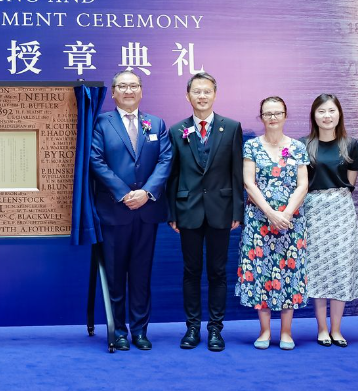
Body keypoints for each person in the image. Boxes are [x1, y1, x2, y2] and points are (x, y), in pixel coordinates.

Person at [90, 69, 173, 351]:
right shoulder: (101, 123)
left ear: (141, 91)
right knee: (114, 275)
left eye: (134, 86)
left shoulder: (156, 123)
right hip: (115, 211)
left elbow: (165, 161)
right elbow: (96, 160)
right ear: (113, 92)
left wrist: (147, 193)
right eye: (122, 86)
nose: (128, 91)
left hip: (146, 210)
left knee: (141, 274)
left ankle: (140, 330)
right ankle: (119, 331)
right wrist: (125, 194)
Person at [166, 71, 243, 352]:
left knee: (218, 272)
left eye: (206, 91)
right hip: (187, 210)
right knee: (190, 271)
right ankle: (192, 327)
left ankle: (215, 329)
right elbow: (172, 175)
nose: (201, 96)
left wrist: (238, 210)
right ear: (188, 96)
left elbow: (236, 173)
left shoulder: (231, 127)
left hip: (221, 209)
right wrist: (171, 211)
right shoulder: (176, 131)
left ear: (215, 94)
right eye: (196, 91)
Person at [235, 97, 309, 350]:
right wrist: (270, 213)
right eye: (268, 113)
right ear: (261, 117)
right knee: (261, 272)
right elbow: (249, 183)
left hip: (291, 221)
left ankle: (286, 332)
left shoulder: (298, 147)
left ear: (286, 116)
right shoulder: (252, 147)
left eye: (278, 113)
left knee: (289, 273)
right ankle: (265, 331)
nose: (273, 117)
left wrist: (286, 214)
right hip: (259, 221)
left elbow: (303, 184)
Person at [302, 94, 358, 348]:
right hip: (313, 209)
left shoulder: (350, 145)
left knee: (340, 266)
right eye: (321, 111)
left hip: (341, 209)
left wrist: (335, 197)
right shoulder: (304, 145)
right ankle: (321, 329)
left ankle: (337, 329)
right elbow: (301, 183)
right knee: (318, 268)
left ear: (339, 114)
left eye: (331, 111)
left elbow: (350, 183)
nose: (327, 116)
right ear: (314, 115)